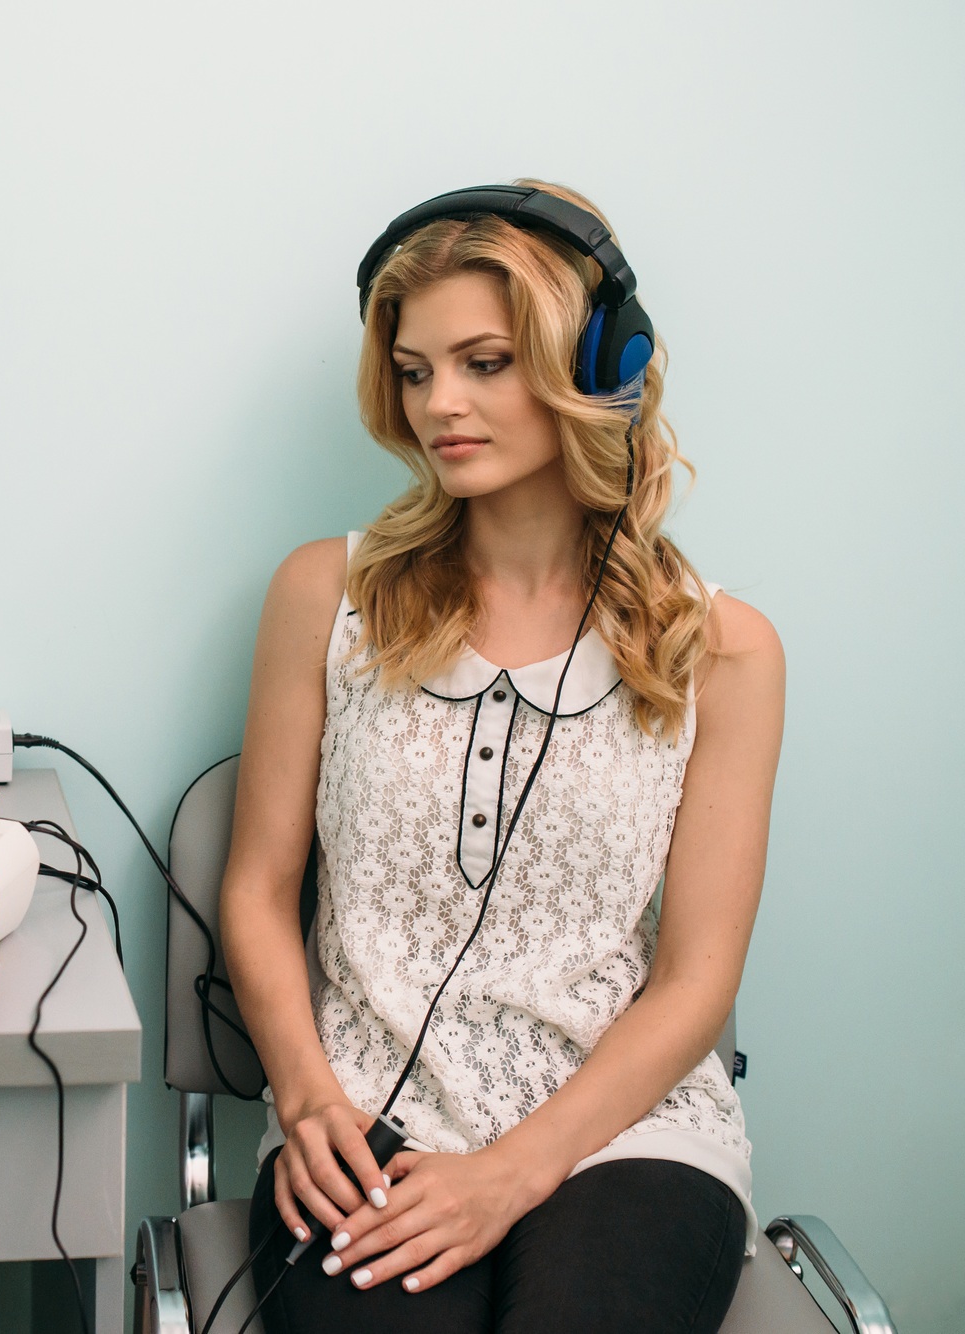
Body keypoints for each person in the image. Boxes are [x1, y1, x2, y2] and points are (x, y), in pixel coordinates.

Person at [221, 181, 784, 1333]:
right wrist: (302, 1090)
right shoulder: (321, 594)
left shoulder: (720, 649)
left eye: (482, 361)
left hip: (626, 1133)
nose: (440, 403)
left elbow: (693, 980)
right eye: (416, 369)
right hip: (361, 1115)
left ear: (594, 365)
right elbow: (254, 885)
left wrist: (515, 1169)